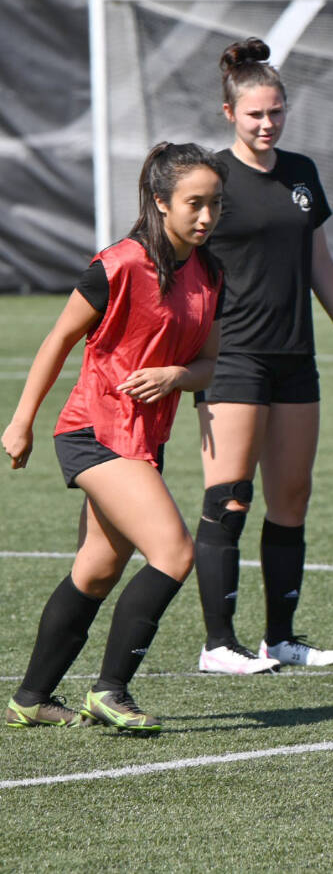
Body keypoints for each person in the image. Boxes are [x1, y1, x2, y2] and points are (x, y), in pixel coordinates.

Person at [3, 143, 226, 733]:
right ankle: (111, 691)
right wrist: (22, 420)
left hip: (142, 442)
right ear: (160, 202)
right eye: (194, 204)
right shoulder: (118, 265)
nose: (206, 217)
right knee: (175, 553)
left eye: (215, 205)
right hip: (93, 431)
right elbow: (58, 341)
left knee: (97, 570)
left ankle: (30, 699)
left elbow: (209, 364)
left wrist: (178, 375)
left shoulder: (210, 273)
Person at [193, 38, 333, 676]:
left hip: (294, 355)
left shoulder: (302, 172)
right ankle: (218, 644)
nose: (267, 123)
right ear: (230, 113)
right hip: (232, 358)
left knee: (293, 496)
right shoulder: (212, 179)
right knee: (229, 496)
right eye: (254, 114)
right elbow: (178, 264)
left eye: (276, 111)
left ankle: (279, 639)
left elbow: (318, 260)